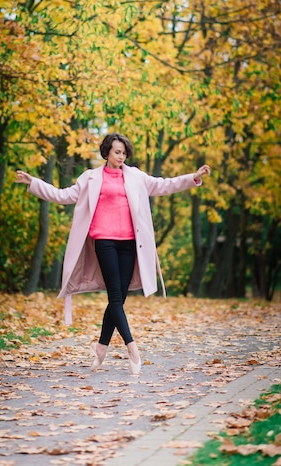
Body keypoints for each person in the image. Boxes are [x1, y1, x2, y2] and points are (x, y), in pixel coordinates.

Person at [16, 133, 210, 376]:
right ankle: (132, 348)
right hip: (104, 242)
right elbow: (63, 195)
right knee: (115, 297)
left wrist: (193, 177)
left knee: (118, 299)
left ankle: (101, 347)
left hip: (129, 244)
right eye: (117, 151)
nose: (121, 156)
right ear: (107, 151)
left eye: (124, 152)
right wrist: (34, 182)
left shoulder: (136, 177)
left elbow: (164, 185)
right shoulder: (90, 178)